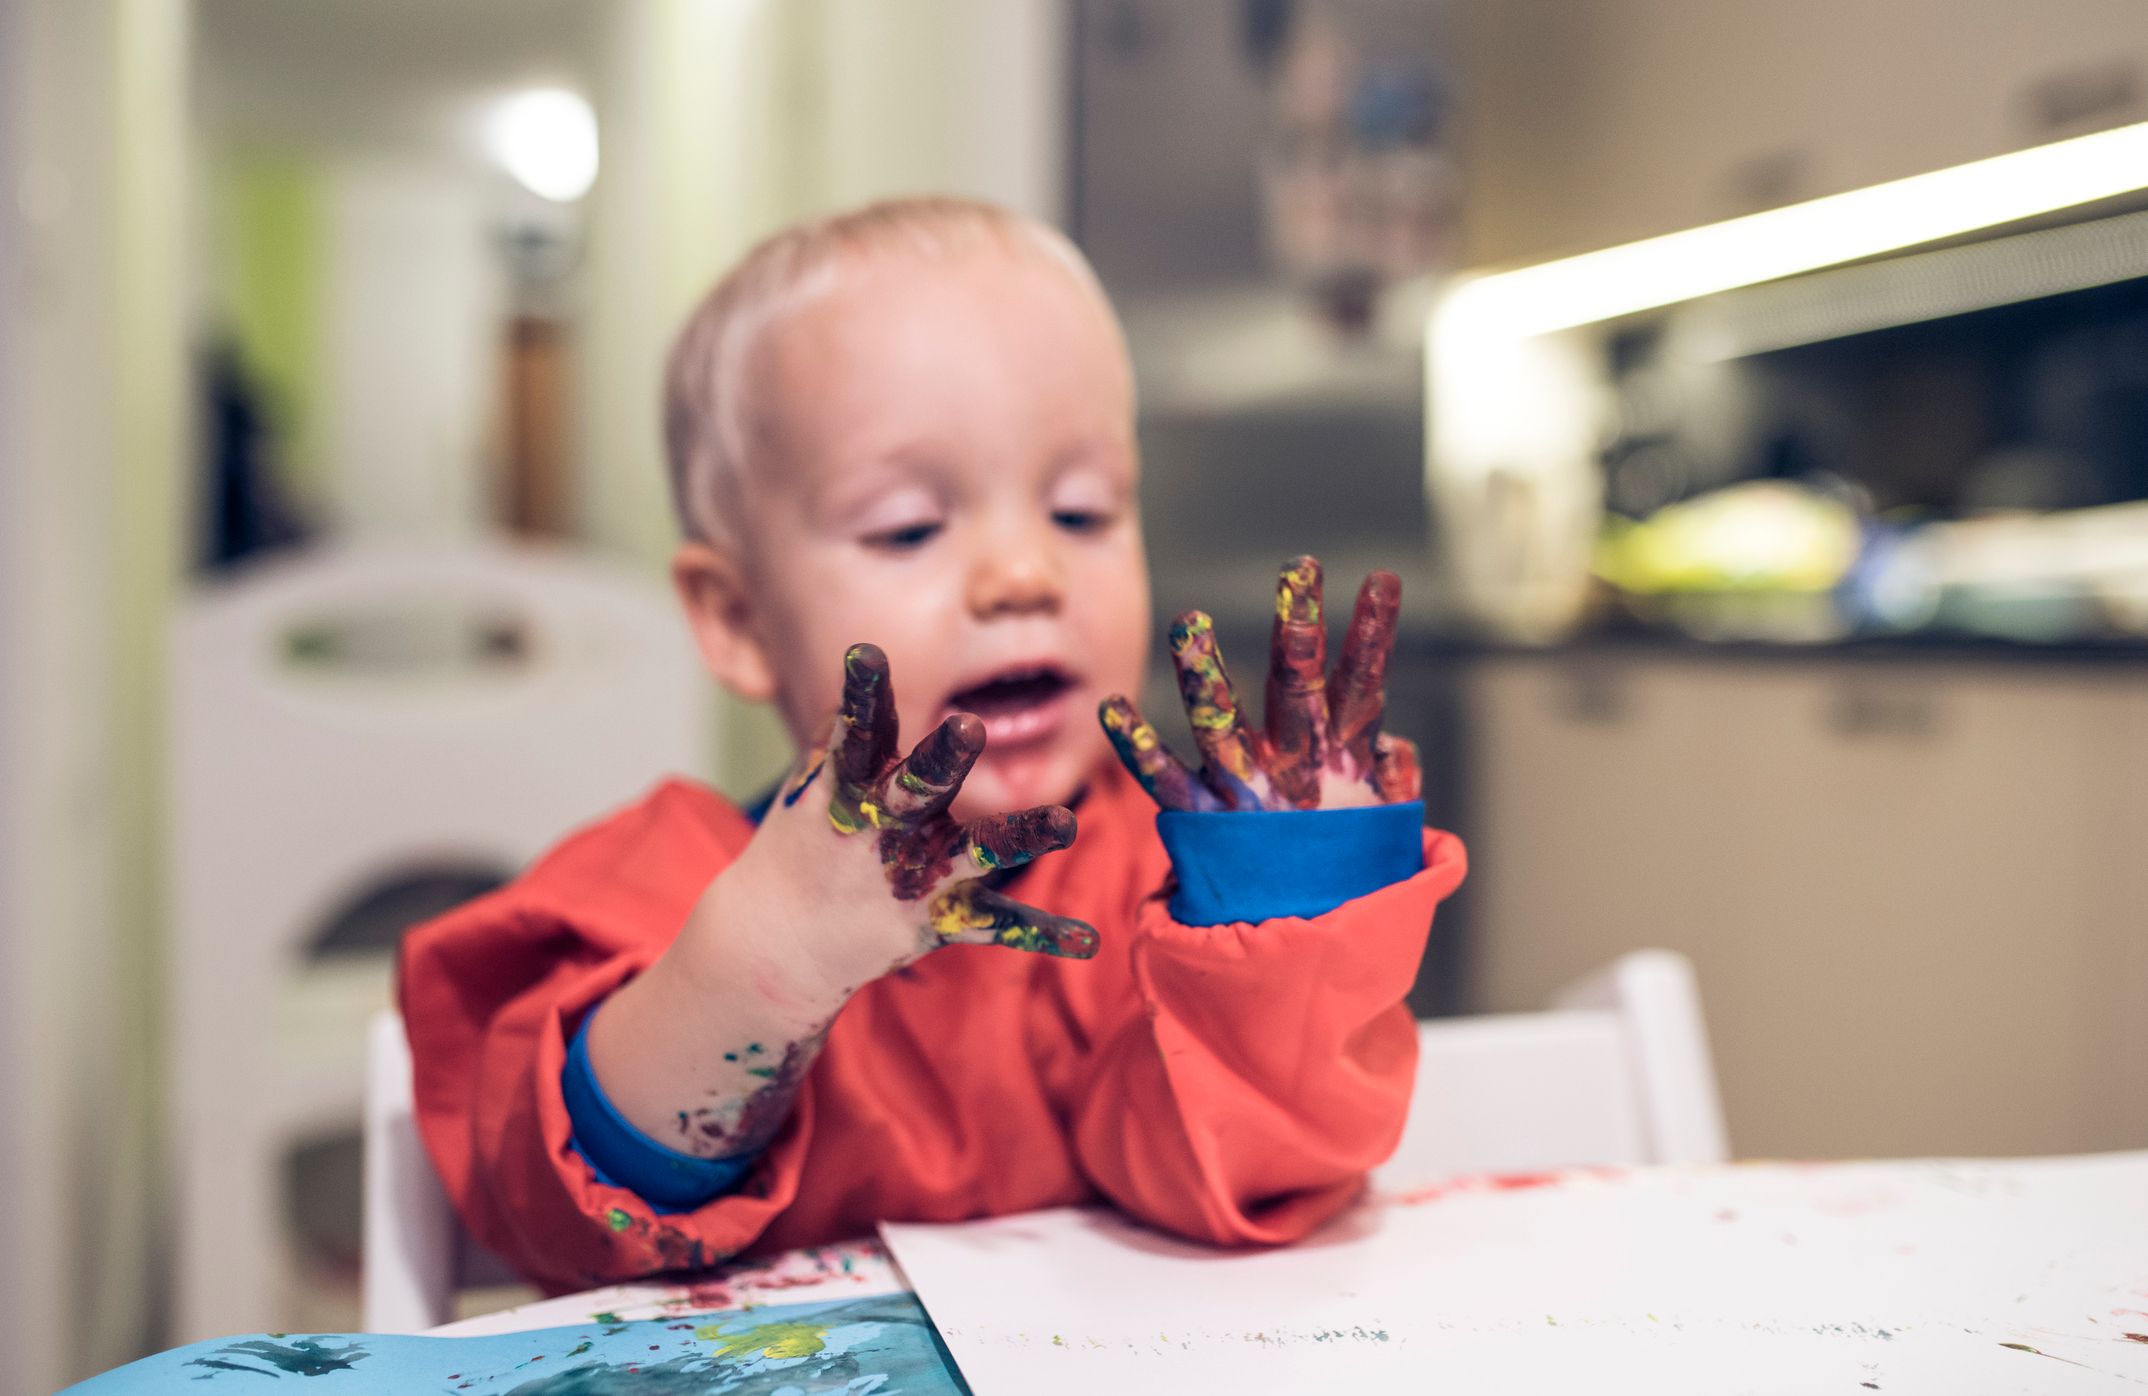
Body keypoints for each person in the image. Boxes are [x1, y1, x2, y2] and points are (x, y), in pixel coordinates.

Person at [398, 196, 1466, 1292]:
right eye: (909, 526)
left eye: (1083, 512)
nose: (1022, 575)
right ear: (736, 617)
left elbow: (1245, 1182)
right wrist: (757, 970)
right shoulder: (664, 881)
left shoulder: (1155, 884)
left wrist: (1286, 915)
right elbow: (556, 1209)